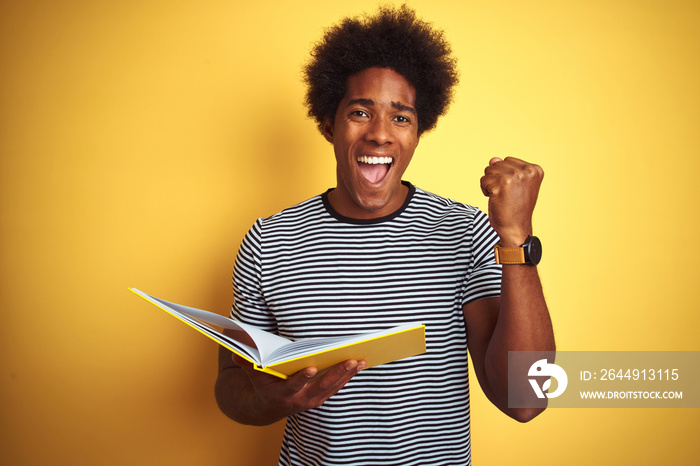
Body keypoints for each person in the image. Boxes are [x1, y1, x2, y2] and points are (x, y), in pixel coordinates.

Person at [215, 5, 555, 465]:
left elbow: (526, 398)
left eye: (401, 118)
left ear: (418, 132)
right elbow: (231, 388)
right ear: (329, 125)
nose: (380, 135)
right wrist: (276, 401)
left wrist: (516, 236)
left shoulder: (463, 231)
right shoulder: (268, 239)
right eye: (360, 112)